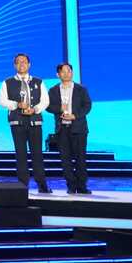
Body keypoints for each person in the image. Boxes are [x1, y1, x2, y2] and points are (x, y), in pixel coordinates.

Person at [0, 53, 52, 194]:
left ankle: (42, 184)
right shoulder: (7, 82)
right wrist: (16, 104)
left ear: (29, 65)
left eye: (24, 62)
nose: (21, 64)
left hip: (35, 122)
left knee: (37, 154)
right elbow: (2, 101)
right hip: (17, 122)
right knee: (20, 154)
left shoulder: (39, 82)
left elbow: (45, 101)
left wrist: (35, 109)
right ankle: (22, 184)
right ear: (14, 65)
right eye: (18, 62)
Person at [48, 62, 92, 194]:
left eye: (69, 71)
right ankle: (71, 186)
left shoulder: (81, 89)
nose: (67, 74)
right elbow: (48, 106)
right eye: (63, 71)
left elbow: (87, 105)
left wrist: (75, 116)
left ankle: (82, 186)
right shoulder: (53, 90)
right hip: (62, 129)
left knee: (80, 159)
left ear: (72, 73)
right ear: (58, 74)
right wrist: (59, 108)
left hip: (78, 128)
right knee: (65, 160)